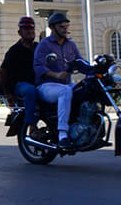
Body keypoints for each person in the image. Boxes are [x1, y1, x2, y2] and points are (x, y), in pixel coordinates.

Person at [33, 12, 82, 147]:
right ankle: (62, 133)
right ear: (53, 28)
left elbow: (79, 61)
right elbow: (38, 66)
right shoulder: (44, 44)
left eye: (66, 26)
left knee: (84, 89)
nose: (65, 29)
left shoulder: (70, 45)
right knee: (65, 91)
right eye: (62, 27)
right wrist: (56, 75)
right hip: (46, 86)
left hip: (65, 84)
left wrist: (96, 69)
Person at [0, 16, 38, 129]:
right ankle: (32, 125)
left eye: (31, 29)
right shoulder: (14, 50)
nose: (30, 32)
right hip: (21, 85)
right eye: (26, 29)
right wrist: (8, 93)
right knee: (30, 91)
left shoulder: (38, 47)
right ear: (19, 32)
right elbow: (3, 71)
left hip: (38, 83)